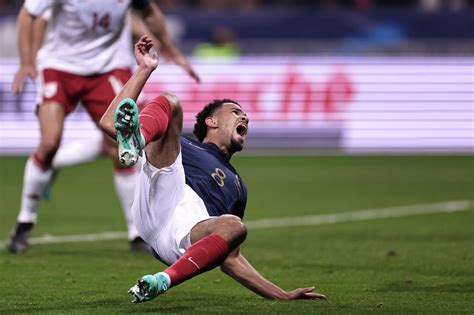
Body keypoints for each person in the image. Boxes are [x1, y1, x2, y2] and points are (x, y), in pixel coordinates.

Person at [99, 35, 327, 302]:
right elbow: (108, 123)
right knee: (170, 103)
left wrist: (281, 294)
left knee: (235, 227)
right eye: (235, 112)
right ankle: (137, 139)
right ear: (211, 121)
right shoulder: (183, 144)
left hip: (184, 236)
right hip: (162, 196)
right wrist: (144, 69)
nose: (244, 117)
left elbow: (229, 257)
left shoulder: (238, 187)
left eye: (245, 116)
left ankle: (163, 280)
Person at [7, 0, 200, 253]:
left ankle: (136, 232)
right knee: (49, 142)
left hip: (108, 67)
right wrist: (26, 61)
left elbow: (149, 12)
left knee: (123, 145)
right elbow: (28, 15)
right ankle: (25, 220)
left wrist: (172, 51)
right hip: (59, 66)